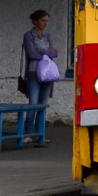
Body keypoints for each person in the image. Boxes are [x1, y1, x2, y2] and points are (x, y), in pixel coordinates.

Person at [22, 9, 58, 146]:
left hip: (47, 74)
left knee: (43, 105)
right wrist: (48, 52)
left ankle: (39, 134)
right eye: (43, 20)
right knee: (33, 104)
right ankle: (28, 133)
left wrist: (41, 51)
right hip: (33, 72)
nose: (45, 23)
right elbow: (31, 53)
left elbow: (56, 53)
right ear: (35, 21)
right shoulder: (29, 35)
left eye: (47, 21)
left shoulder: (48, 36)